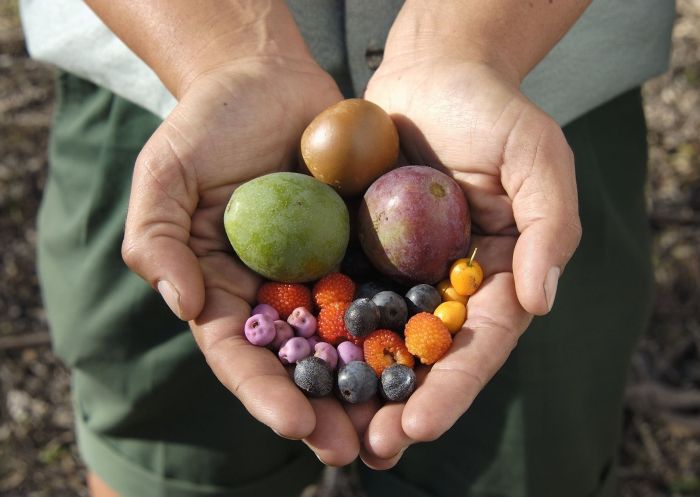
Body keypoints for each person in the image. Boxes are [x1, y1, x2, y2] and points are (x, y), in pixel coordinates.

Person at [20, 0, 675, 496]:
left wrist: (471, 44)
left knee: (522, 465)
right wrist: (223, 48)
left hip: (537, 83)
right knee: (168, 459)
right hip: (162, 80)